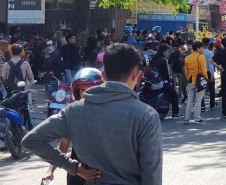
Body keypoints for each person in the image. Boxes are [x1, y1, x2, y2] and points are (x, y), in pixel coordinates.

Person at [23, 43, 163, 185]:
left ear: (103, 75)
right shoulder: (146, 115)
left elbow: (31, 140)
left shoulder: (74, 111)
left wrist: (74, 167)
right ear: (136, 74)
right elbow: (152, 174)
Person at [41, 68, 104, 185]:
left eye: (92, 91)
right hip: (77, 176)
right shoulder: (73, 116)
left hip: (104, 177)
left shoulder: (111, 114)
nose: (87, 95)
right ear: (77, 93)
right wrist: (50, 171)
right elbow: (62, 147)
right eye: (83, 91)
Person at [150, 45, 181, 118]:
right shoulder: (163, 60)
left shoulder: (154, 59)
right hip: (163, 81)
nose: (168, 53)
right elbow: (166, 73)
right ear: (164, 52)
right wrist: (168, 81)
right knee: (174, 95)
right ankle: (175, 113)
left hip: (154, 81)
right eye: (167, 51)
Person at [184, 41, 208, 124]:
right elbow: (204, 70)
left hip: (190, 80)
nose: (203, 49)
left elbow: (186, 72)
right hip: (199, 80)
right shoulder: (201, 57)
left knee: (190, 99)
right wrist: (206, 79)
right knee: (198, 99)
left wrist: (188, 79)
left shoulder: (187, 58)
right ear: (198, 49)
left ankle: (186, 118)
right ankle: (197, 118)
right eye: (202, 47)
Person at [201, 38, 216, 111]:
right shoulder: (210, 53)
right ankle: (212, 104)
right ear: (209, 44)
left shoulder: (200, 52)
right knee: (211, 89)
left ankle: (202, 105)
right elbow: (211, 64)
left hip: (201, 72)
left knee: (201, 89)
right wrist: (212, 74)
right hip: (208, 72)